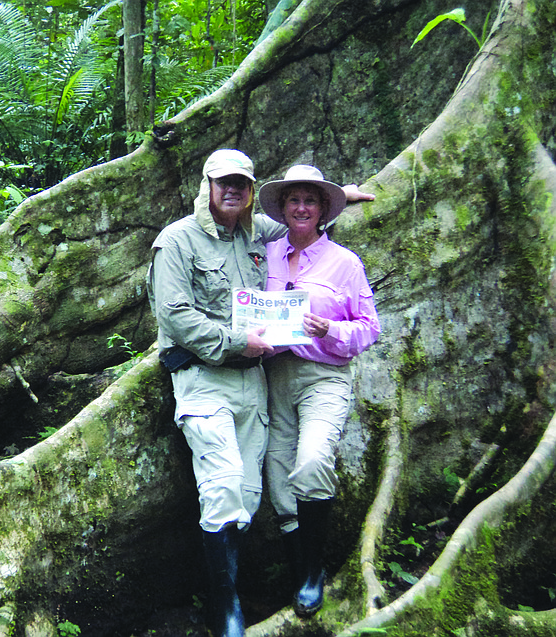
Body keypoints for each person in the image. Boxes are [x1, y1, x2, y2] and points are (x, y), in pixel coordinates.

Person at [147, 151, 373, 636]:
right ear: (206, 185)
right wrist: (236, 342)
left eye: (241, 184)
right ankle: (225, 609)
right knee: (225, 482)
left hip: (256, 381)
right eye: (223, 182)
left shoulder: (258, 235)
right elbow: (175, 317)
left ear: (251, 192)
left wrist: (343, 196)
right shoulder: (177, 241)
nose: (232, 191)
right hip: (205, 376)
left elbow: (303, 222)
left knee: (251, 492)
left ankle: (296, 576)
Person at [257, 165, 381, 618]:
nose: (302, 208)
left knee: (311, 461)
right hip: (272, 378)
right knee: (277, 475)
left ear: (325, 210)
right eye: (294, 200)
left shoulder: (345, 263)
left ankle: (314, 574)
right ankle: (298, 574)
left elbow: (370, 329)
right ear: (283, 209)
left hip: (324, 376)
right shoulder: (264, 254)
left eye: (311, 200)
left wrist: (331, 329)